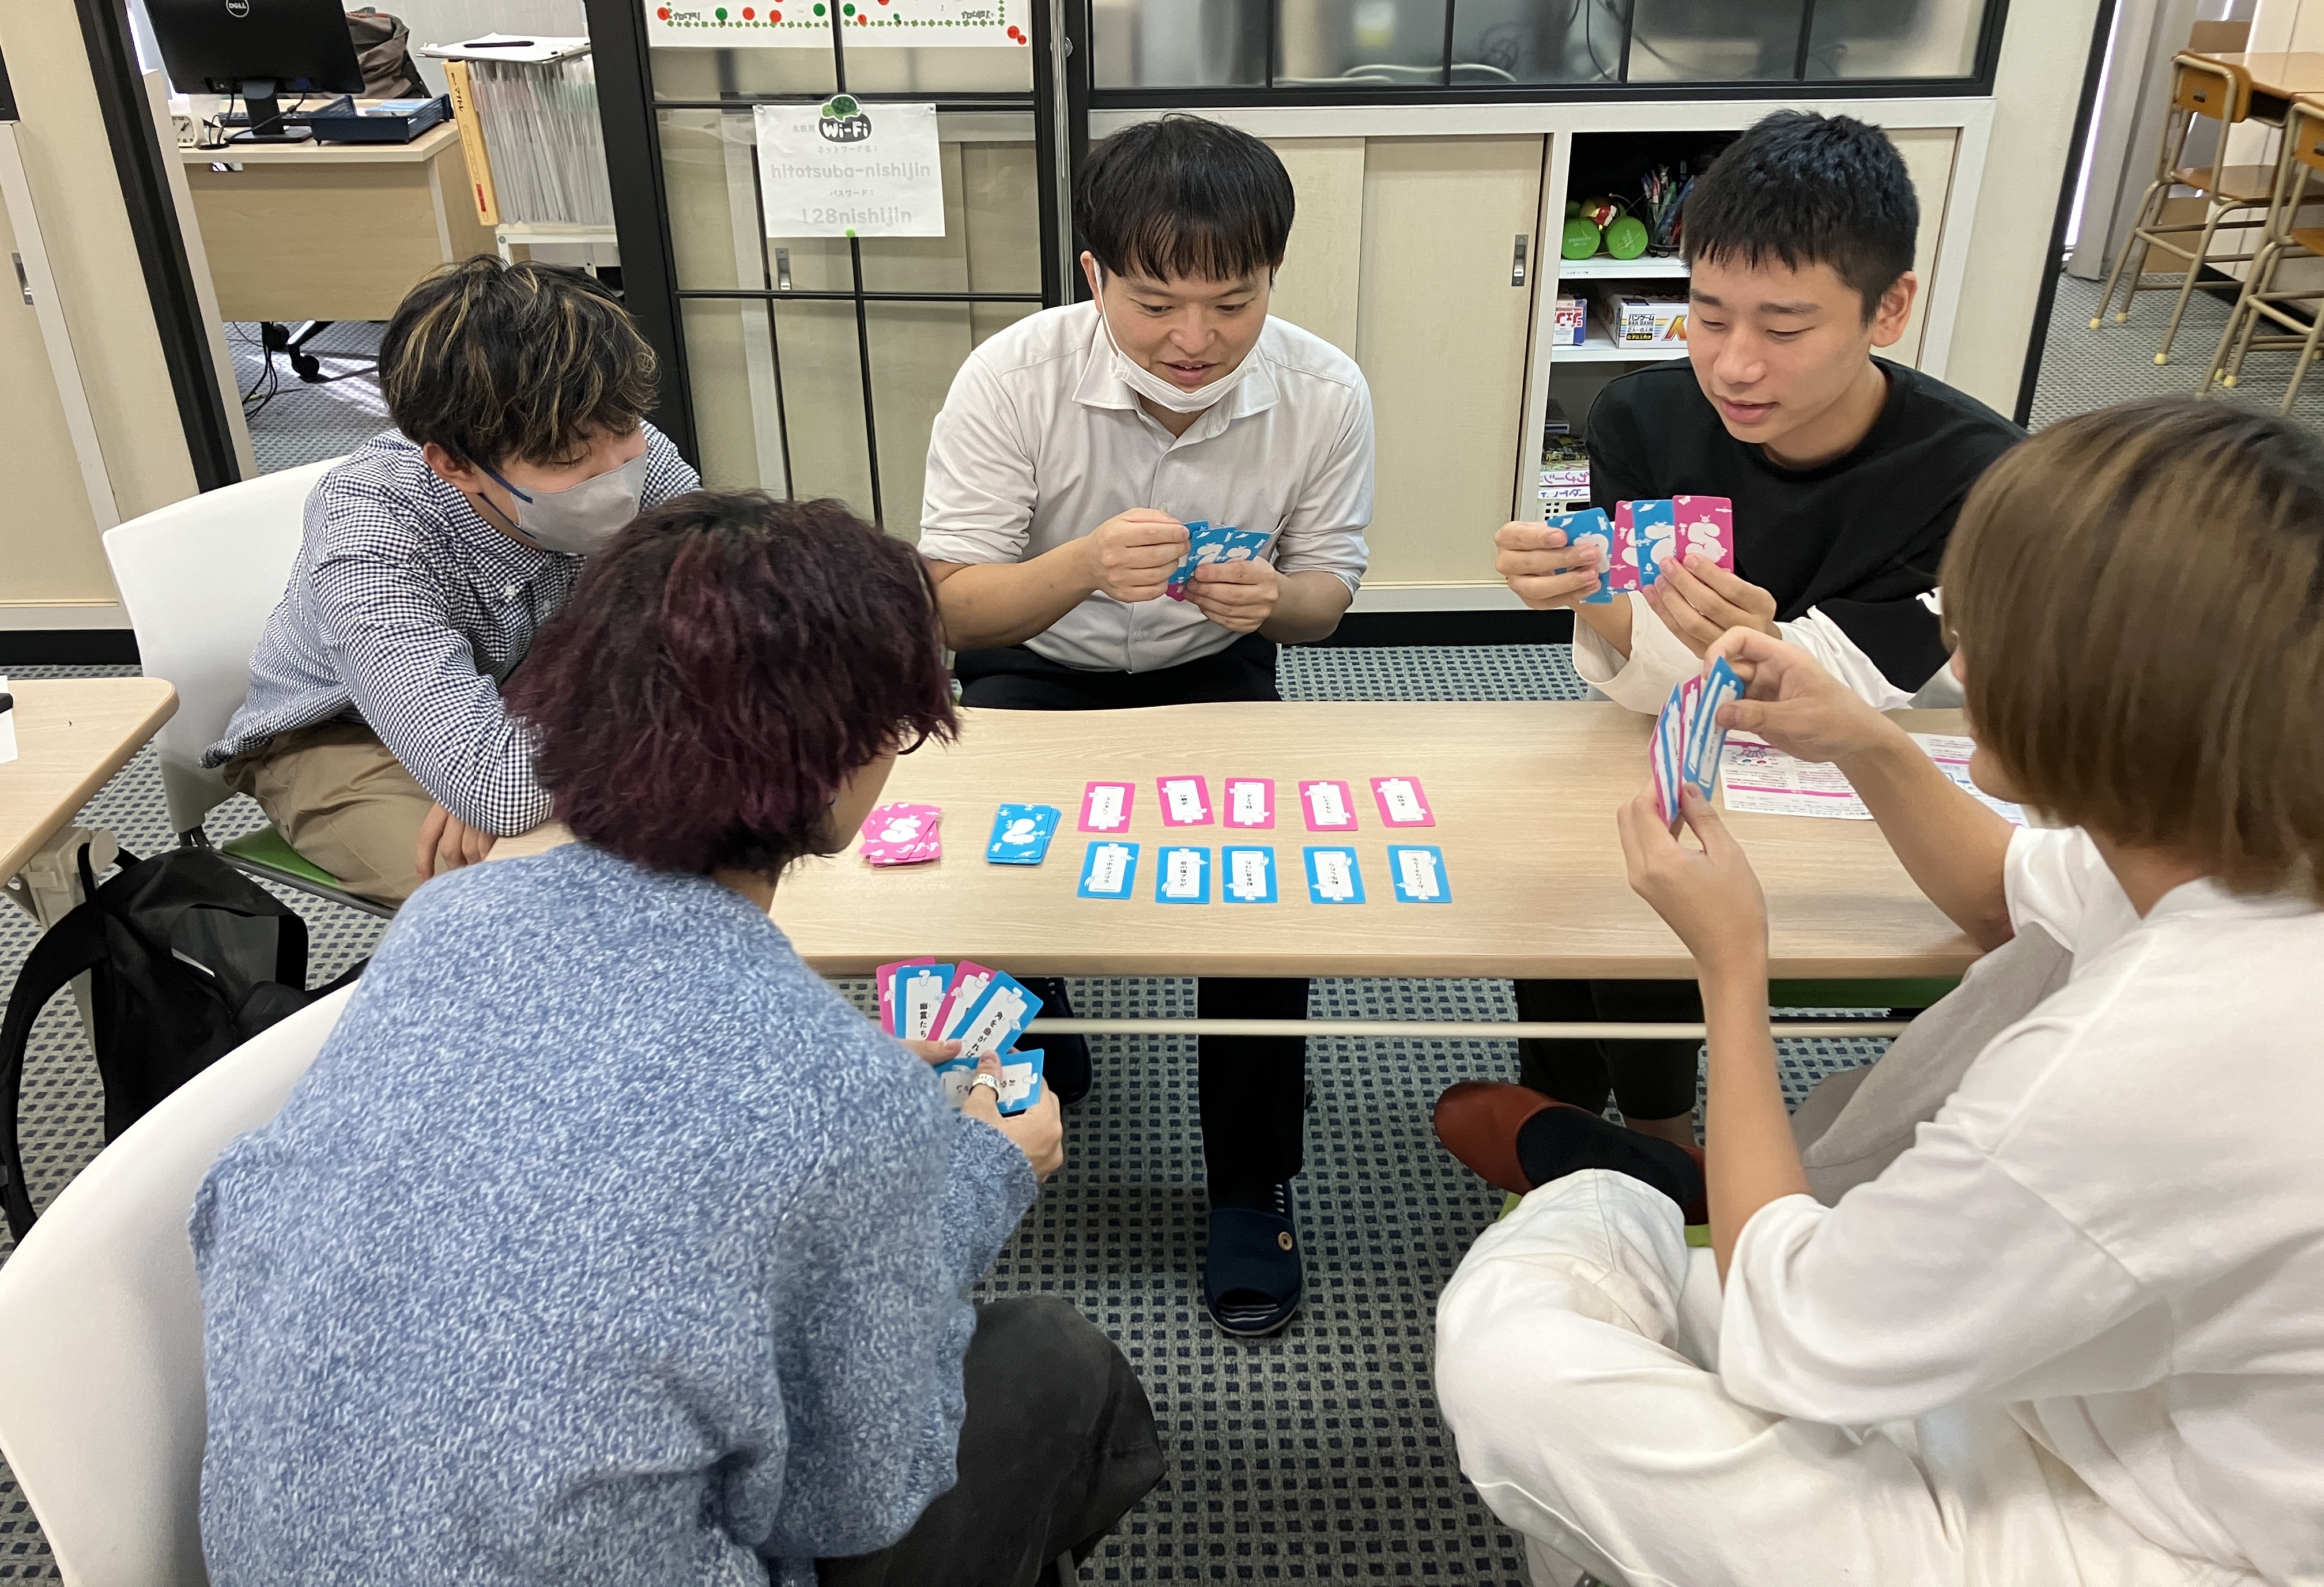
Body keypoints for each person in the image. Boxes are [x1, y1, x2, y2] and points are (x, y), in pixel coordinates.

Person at [193, 492, 1164, 1586]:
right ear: (849, 760)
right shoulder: (837, 1091)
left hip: (266, 1554)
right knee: (1054, 1360)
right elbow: (852, 1498)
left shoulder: (445, 922)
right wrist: (983, 1170)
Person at [1435, 398, 2324, 1587]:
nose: (1955, 656)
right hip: (2124, 1383)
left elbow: (1791, 1339)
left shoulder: (2132, 1060)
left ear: (2095, 689)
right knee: (1906, 1063)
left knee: (1509, 1351)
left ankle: (1668, 1196)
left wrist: (1731, 969)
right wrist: (1862, 738)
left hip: (2158, 1531)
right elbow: (2006, 893)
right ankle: (1678, 1195)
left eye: (1981, 624)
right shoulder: (2240, 842)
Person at [918, 114, 1376, 1336]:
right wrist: (1077, 566)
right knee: (982, 867)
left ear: (1272, 277)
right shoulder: (1011, 377)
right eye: (1156, 302)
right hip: (1033, 660)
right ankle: (1038, 1019)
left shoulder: (1325, 392)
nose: (1194, 339)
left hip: (1211, 667)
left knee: (1259, 906)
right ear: (1095, 275)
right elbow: (951, 604)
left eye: (1233, 302)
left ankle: (1250, 1181)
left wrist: (1273, 600)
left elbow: (1328, 597)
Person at [1492, 112, 2024, 1151]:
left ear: (1889, 308)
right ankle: (1573, 1112)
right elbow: (1649, 670)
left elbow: (1851, 689)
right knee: (1578, 865)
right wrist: (1583, 588)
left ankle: (1669, 1141)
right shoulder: (1641, 418)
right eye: (1706, 314)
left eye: (1784, 329)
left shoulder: (1975, 474)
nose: (1734, 365)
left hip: (1881, 773)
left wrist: (1750, 650)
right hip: (1674, 730)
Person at [203, 255, 700, 906]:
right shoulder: (372, 530)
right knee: (523, 905)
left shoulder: (614, 437)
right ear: (455, 465)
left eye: (625, 429)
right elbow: (500, 788)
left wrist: (501, 759)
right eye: (566, 457)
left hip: (531, 703)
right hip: (341, 736)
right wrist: (487, 772)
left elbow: (734, 618)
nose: (616, 472)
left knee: (712, 828)